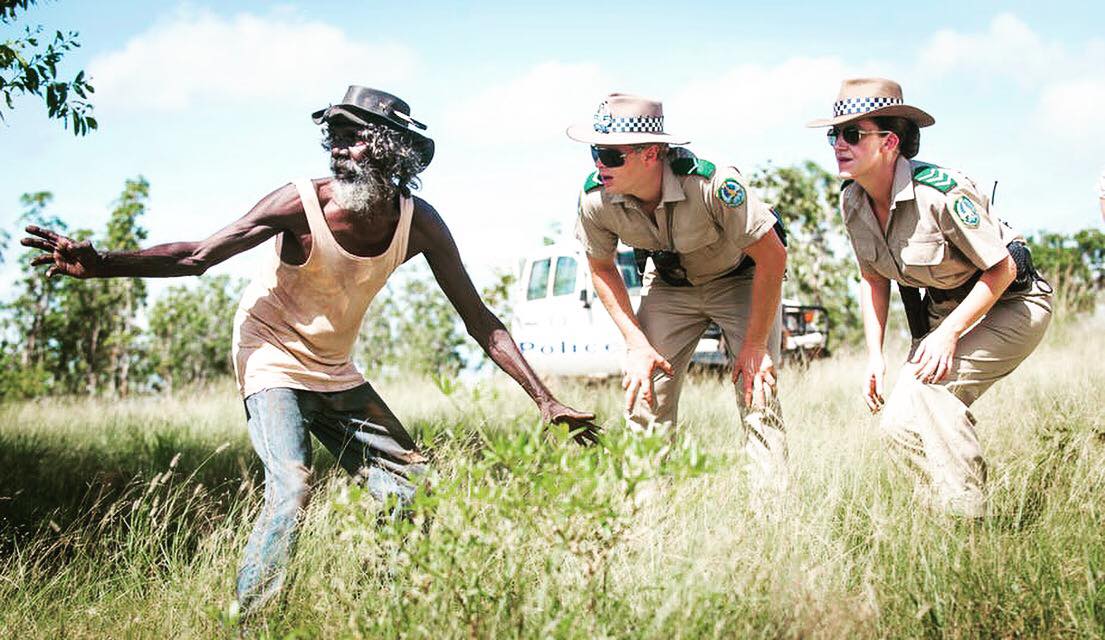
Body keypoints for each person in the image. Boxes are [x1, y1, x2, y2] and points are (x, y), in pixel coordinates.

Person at [22, 85, 600, 614]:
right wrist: (103, 265)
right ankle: (251, 622)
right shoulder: (299, 203)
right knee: (293, 484)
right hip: (269, 352)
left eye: (355, 139)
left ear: (392, 152)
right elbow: (198, 256)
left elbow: (480, 320)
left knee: (415, 488)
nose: (339, 151)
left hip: (334, 367)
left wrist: (546, 401)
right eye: (336, 139)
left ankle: (398, 610)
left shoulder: (417, 223)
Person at [808, 78, 1052, 517]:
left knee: (933, 393)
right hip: (945, 318)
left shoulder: (940, 193)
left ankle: (970, 520)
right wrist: (875, 357)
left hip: (1013, 303)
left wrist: (948, 334)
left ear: (889, 142)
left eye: (851, 134)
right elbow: (873, 279)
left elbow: (1003, 268)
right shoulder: (853, 202)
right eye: (834, 135)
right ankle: (944, 515)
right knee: (897, 427)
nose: (838, 145)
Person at [566, 93, 789, 489]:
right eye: (595, 153)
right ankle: (648, 522)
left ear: (651, 153)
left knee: (758, 393)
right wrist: (636, 343)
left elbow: (772, 257)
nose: (600, 164)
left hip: (739, 279)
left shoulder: (713, 182)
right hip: (670, 287)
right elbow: (600, 266)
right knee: (643, 393)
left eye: (612, 155)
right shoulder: (594, 198)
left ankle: (772, 517)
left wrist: (755, 346)